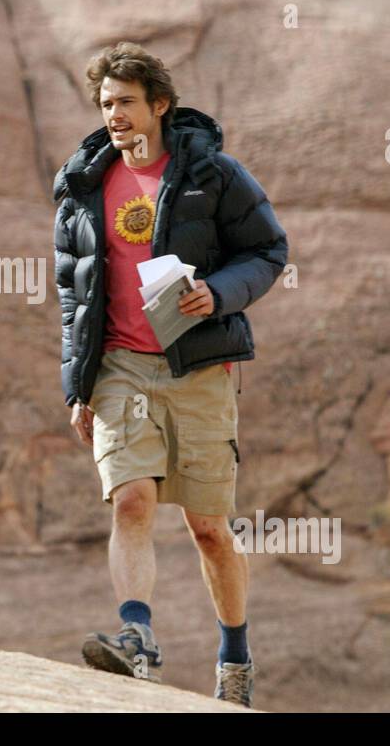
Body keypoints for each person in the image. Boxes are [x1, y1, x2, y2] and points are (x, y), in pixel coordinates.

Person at [52, 42, 287, 706]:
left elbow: (269, 249)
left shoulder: (212, 174)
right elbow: (74, 294)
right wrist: (78, 384)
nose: (114, 115)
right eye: (105, 104)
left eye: (126, 102)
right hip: (120, 367)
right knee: (131, 500)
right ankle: (137, 640)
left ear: (159, 105)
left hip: (199, 367)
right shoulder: (83, 185)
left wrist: (219, 292)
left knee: (208, 528)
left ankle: (234, 657)